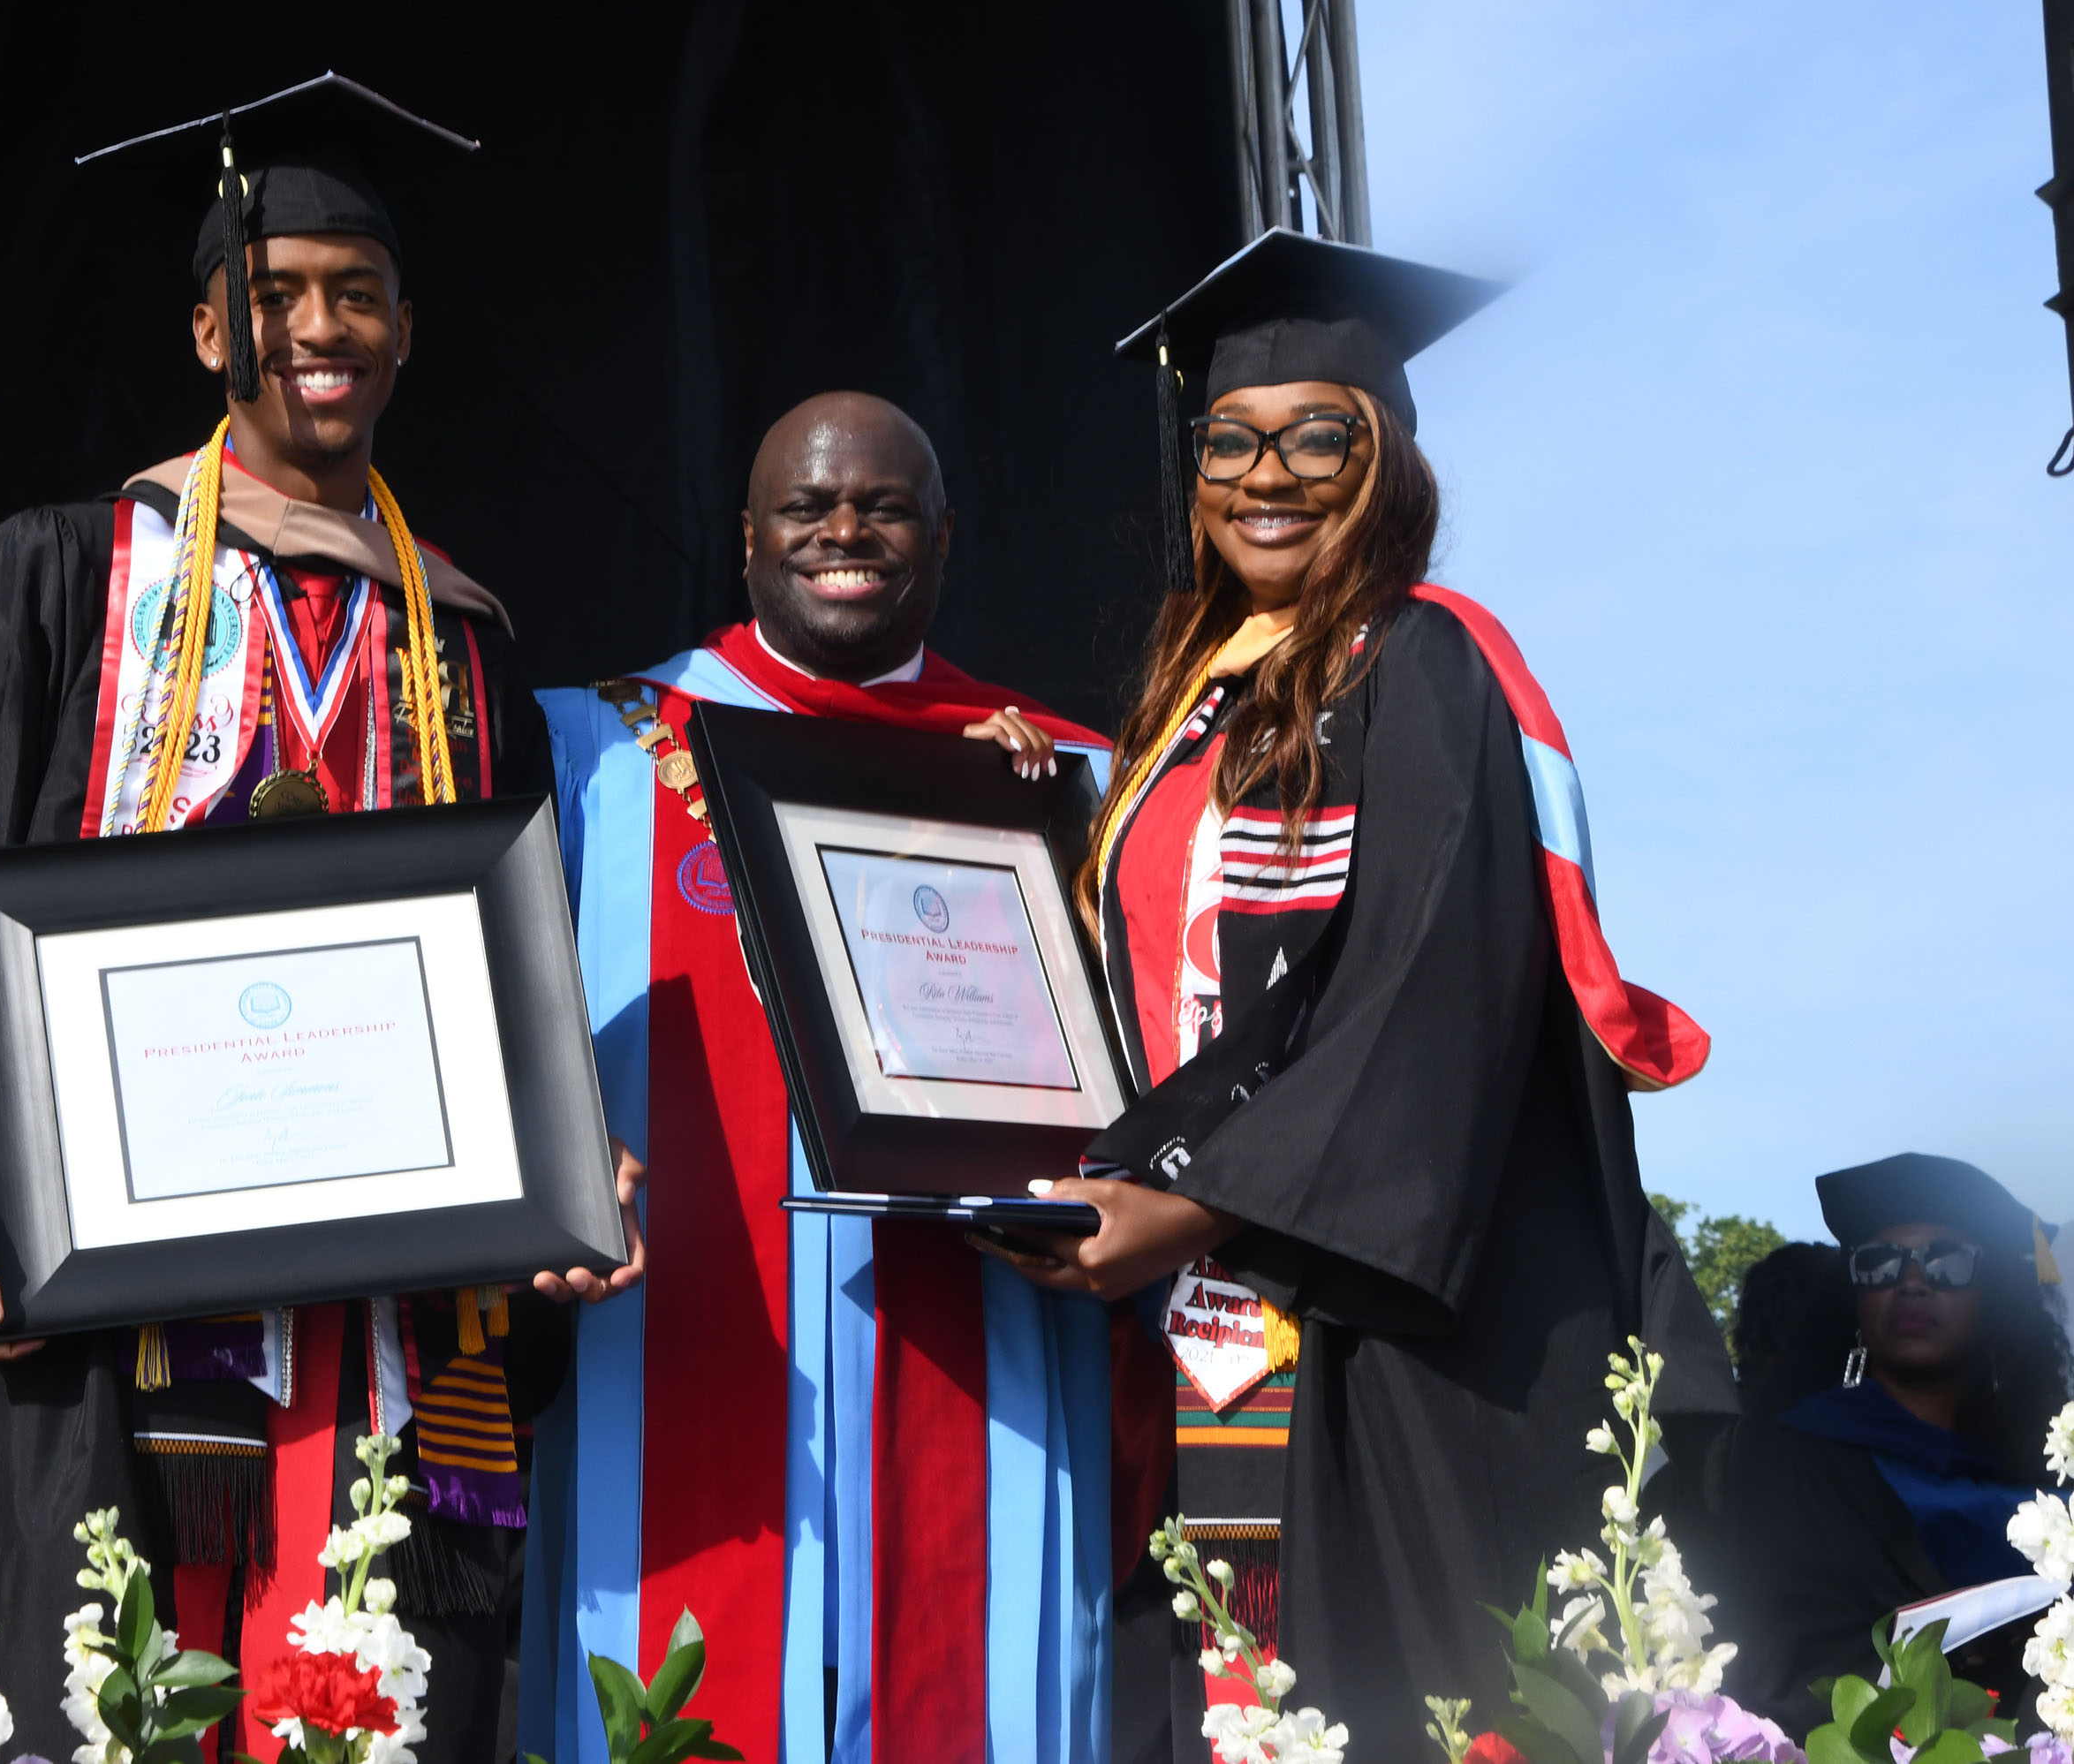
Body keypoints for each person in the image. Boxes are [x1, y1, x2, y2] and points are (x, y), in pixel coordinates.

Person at [0, 75, 634, 1758]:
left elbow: (517, 967)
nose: (318, 329)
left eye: (356, 293)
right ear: (210, 328)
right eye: (276, 298)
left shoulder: (468, 640)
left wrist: (562, 1156)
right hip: (94, 1361)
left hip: (392, 1354)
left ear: (408, 331)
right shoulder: (64, 579)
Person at [986, 229, 1737, 1756]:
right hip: (1207, 1308)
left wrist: (1181, 1203)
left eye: (1319, 435)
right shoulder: (1190, 708)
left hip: (1387, 1325)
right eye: (1232, 441)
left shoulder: (1432, 666)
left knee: (1387, 1696)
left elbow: (1419, 993)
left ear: (1385, 453)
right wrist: (1034, 821)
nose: (1272, 474)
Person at [519, 390, 1133, 1762]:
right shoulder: (599, 748)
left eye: (884, 506)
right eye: (808, 508)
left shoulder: (1060, 776)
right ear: (748, 538)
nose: (845, 531)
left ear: (944, 536)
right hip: (683, 1325)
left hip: (978, 1340)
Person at [1717, 1154, 2070, 1735]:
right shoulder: (1790, 1455)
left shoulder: (2045, 1473)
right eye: (1879, 1263)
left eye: (1948, 1262)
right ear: (1853, 1295)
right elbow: (1778, 1660)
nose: (1911, 1281)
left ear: (1994, 1297)